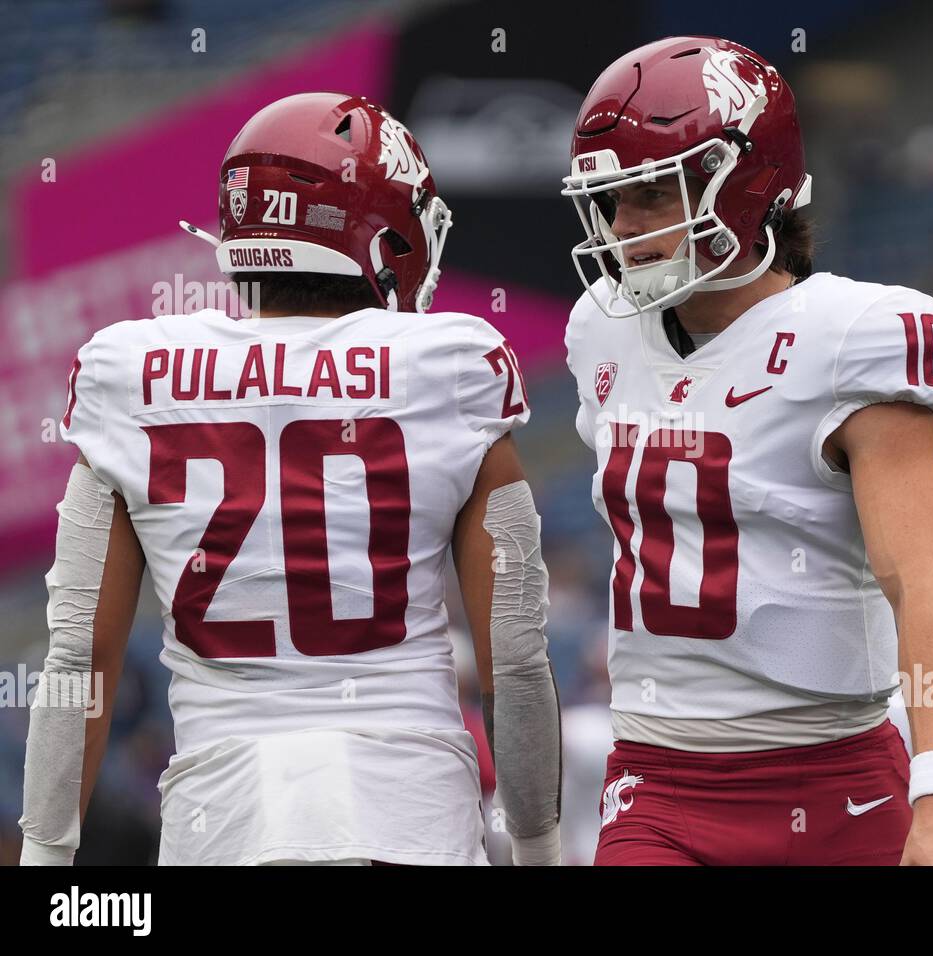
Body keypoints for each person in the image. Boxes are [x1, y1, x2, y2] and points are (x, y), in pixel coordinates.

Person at [19, 92, 562, 866]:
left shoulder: (129, 373)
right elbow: (513, 658)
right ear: (384, 236)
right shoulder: (449, 369)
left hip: (226, 824)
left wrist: (45, 859)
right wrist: (541, 849)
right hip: (408, 823)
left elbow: (79, 663)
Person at [560, 37, 933, 865]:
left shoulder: (854, 336)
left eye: (651, 194)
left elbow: (927, 583)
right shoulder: (599, 327)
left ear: (748, 186)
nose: (624, 229)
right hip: (657, 779)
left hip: (836, 782)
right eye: (612, 201)